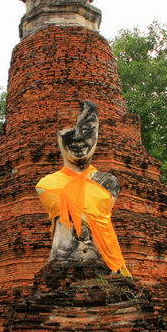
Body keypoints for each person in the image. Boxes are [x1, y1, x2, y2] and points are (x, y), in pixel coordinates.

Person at [36, 99, 131, 276]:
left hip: (105, 266)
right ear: (57, 135)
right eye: (68, 129)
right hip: (63, 267)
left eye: (87, 129)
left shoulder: (109, 183)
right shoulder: (46, 185)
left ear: (98, 132)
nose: (78, 138)